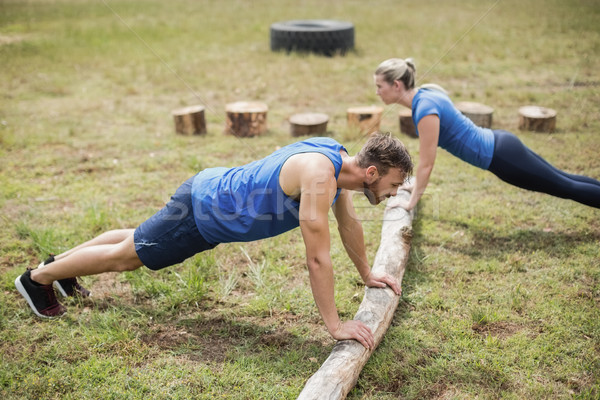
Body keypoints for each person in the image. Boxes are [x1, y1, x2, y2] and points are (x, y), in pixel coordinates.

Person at [15, 133, 413, 350]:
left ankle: (60, 267)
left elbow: (348, 224)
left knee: (135, 238)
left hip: (209, 190)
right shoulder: (319, 178)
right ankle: (39, 278)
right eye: (394, 185)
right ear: (373, 172)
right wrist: (335, 325)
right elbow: (317, 260)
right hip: (204, 213)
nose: (394, 194)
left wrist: (367, 273)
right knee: (129, 257)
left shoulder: (335, 156)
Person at [373, 58, 600, 211]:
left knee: (563, 186)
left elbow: (426, 164)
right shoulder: (426, 94)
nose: (377, 93)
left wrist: (411, 202)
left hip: (501, 156)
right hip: (502, 145)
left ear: (396, 85)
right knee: (564, 180)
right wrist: (413, 186)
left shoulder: (424, 110)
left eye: (379, 87)